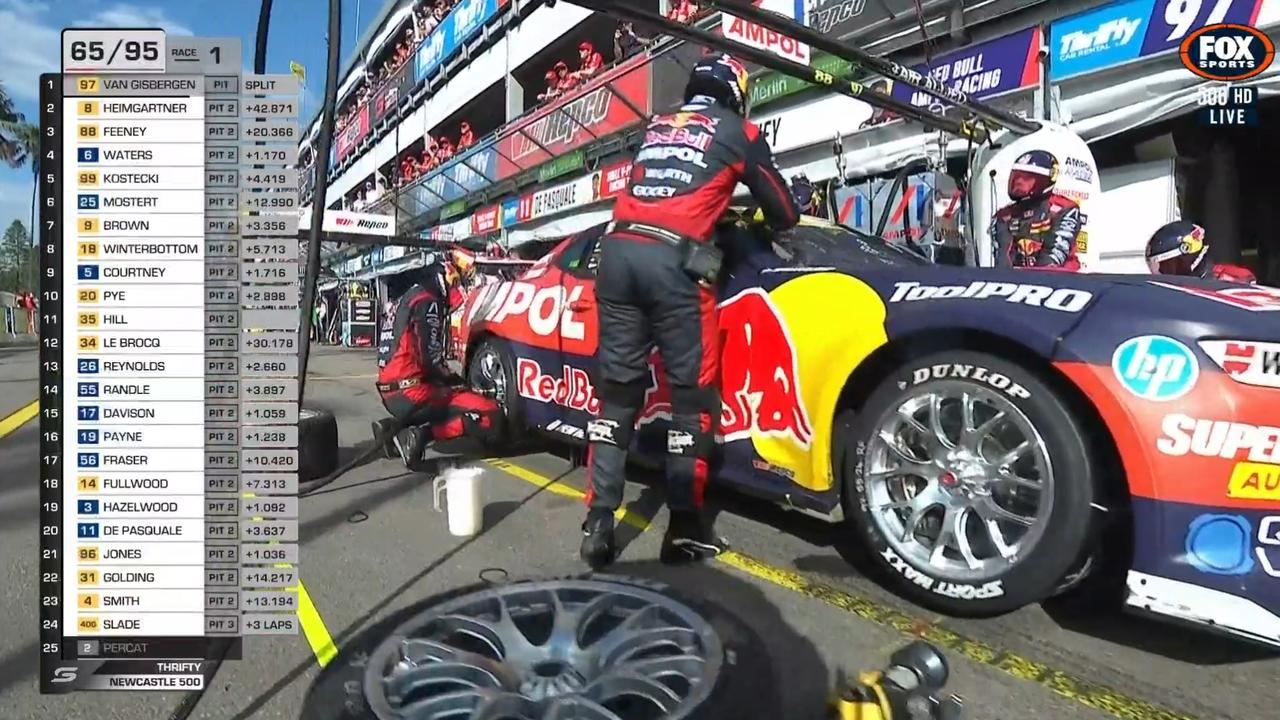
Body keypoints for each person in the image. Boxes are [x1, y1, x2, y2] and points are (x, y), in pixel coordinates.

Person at [580, 53, 800, 569]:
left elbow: (662, 188)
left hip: (615, 255)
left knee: (616, 396)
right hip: (675, 263)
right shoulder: (738, 129)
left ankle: (596, 527)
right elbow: (784, 213)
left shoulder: (657, 125)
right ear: (735, 92)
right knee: (691, 400)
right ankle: (682, 529)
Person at [374, 261, 500, 469]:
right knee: (488, 413)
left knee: (446, 392)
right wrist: (461, 382)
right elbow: (431, 359)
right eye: (458, 283)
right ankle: (419, 435)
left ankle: (393, 430)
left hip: (390, 394)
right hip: (412, 393)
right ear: (445, 278)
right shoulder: (427, 301)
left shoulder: (404, 300)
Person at [989, 150, 1082, 270]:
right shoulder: (1003, 215)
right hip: (1019, 281)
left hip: (1062, 280)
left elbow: (1053, 258)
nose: (1019, 184)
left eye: (1027, 179)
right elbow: (1002, 260)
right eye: (1017, 177)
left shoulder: (1065, 209)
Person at [1146, 221, 1257, 283]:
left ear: (1187, 258)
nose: (1159, 272)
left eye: (1165, 266)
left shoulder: (1231, 278)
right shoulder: (1169, 292)